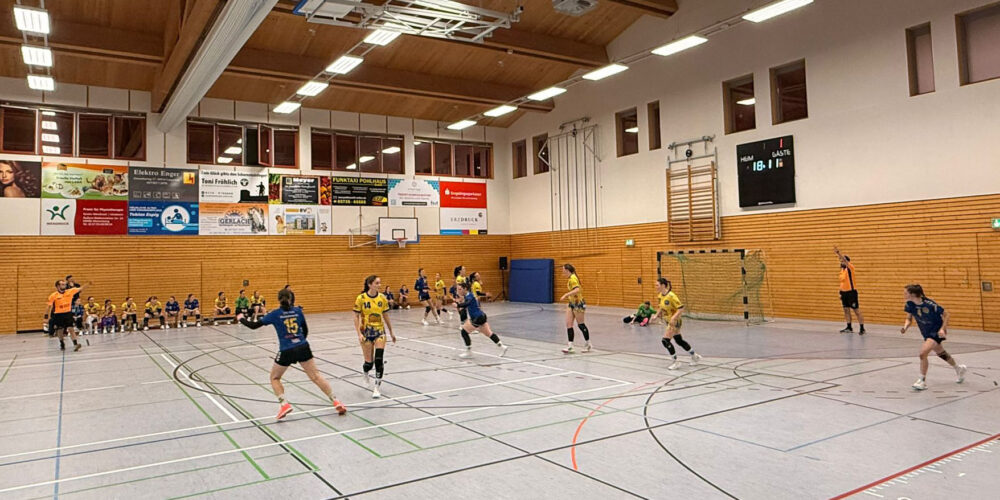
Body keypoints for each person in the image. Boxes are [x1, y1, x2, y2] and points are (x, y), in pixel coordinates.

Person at [238, 288, 347, 420]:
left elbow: (253, 326)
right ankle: (336, 401)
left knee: (274, 378)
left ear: (279, 300)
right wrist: (299, 342)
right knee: (316, 376)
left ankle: (284, 404)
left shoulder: (275, 314)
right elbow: (305, 330)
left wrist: (241, 318)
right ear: (291, 299)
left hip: (286, 350)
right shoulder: (298, 311)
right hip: (302, 347)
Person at [901, 284, 966, 391]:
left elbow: (946, 314)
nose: (904, 294)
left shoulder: (930, 304)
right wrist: (905, 327)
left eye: (905, 293)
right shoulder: (909, 304)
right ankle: (958, 368)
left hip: (936, 331)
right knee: (941, 353)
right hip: (926, 332)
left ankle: (922, 381)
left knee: (923, 354)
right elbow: (909, 318)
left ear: (913, 294)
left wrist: (943, 329)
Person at [354, 275, 396, 399]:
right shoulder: (361, 298)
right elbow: (356, 316)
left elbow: (386, 316)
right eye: (377, 283)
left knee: (379, 359)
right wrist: (359, 333)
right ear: (370, 284)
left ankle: (377, 387)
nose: (379, 285)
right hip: (366, 333)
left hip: (379, 332)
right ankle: (365, 372)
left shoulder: (382, 298)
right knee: (369, 363)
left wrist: (391, 332)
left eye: (379, 283)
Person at [654, 278, 701, 370]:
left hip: (675, 321)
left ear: (663, 285)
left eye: (657, 285)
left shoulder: (671, 296)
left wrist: (673, 318)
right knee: (679, 340)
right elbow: (661, 307)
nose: (656, 287)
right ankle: (695, 356)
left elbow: (681, 308)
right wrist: (656, 315)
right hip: (668, 320)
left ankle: (675, 362)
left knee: (665, 340)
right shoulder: (660, 296)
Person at [455, 281, 508, 359]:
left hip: (477, 318)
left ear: (465, 289)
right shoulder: (467, 296)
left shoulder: (469, 296)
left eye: (459, 289)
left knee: (464, 332)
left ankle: (469, 352)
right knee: (489, 334)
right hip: (481, 317)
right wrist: (460, 305)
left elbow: (467, 303)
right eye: (457, 289)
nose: (458, 291)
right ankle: (503, 347)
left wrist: (458, 305)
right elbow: (466, 306)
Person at [45, 279, 89, 351]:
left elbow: (80, 288)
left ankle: (75, 344)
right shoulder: (53, 295)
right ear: (58, 286)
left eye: (65, 284)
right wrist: (46, 316)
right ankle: (62, 342)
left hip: (68, 313)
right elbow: (48, 306)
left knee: (71, 328)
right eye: (62, 284)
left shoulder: (70, 291)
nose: (64, 285)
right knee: (60, 330)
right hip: (58, 315)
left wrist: (88, 283)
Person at [560, 264, 592, 354]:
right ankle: (570, 346)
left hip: (578, 303)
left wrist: (566, 295)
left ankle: (588, 344)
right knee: (569, 324)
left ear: (567, 270)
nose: (562, 272)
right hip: (572, 303)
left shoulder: (573, 278)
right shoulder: (570, 278)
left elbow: (577, 290)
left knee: (581, 324)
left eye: (563, 270)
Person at [835, 246, 866, 335]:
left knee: (856, 310)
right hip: (844, 293)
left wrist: (838, 253)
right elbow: (842, 283)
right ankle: (849, 327)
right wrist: (840, 293)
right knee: (846, 310)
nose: (841, 262)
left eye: (842, 261)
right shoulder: (842, 271)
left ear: (847, 261)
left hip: (851, 293)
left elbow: (844, 260)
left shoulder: (850, 268)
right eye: (840, 261)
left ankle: (862, 328)